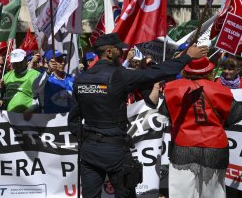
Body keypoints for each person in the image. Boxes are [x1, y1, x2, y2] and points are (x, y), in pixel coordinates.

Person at [68, 33, 208, 198]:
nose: (122, 52)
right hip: (114, 149)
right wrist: (187, 57)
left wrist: (88, 139)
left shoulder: (81, 78)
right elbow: (158, 72)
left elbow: (73, 119)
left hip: (89, 149)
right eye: (119, 49)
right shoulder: (119, 75)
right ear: (109, 52)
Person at [162, 57, 242, 198]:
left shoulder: (173, 88)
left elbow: (164, 113)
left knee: (181, 192)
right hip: (215, 148)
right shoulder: (220, 89)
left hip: (183, 146)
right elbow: (234, 113)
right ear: (209, 71)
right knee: (213, 193)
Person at [0, 49, 40, 118]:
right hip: (11, 118)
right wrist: (0, 91)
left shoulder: (35, 75)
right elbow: (3, 96)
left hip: (30, 118)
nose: (17, 65)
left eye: (20, 62)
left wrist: (31, 109)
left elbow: (40, 98)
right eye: (15, 62)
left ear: (25, 59)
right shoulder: (7, 76)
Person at [33, 50, 74, 114]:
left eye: (63, 60)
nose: (63, 63)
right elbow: (35, 88)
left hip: (69, 120)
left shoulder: (71, 78)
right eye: (59, 60)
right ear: (50, 62)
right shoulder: (46, 78)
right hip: (51, 121)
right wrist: (49, 71)